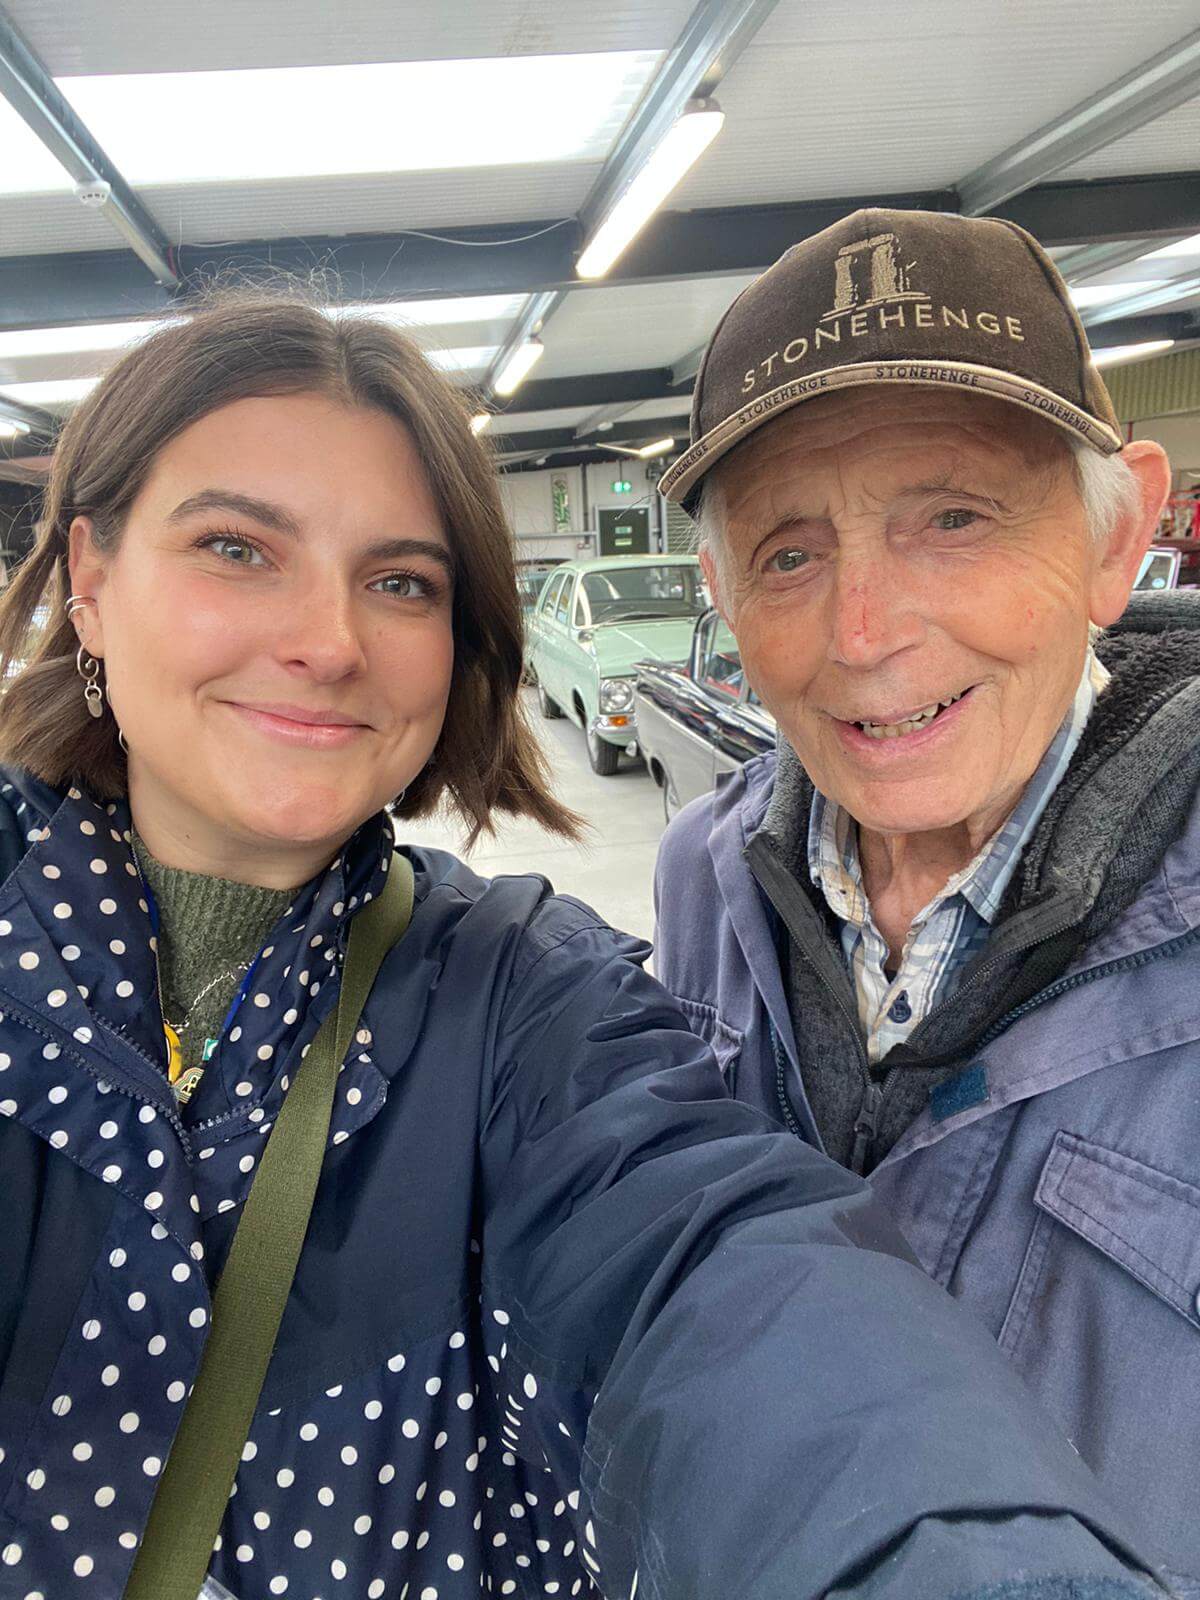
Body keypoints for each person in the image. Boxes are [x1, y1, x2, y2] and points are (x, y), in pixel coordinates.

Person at [0, 293, 1168, 1600]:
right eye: (235, 548)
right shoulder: (719, 871)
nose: (327, 642)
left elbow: (710, 1264)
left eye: (400, 581)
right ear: (90, 581)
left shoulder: (522, 997)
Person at [653, 208, 1200, 1589]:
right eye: (788, 554)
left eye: (952, 520)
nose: (863, 634)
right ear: (721, 591)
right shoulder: (706, 877)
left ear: (1117, 537)